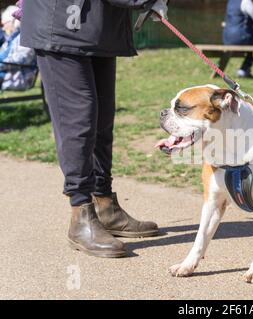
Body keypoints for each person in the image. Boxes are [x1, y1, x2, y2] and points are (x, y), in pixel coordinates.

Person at [20, 0, 169, 258]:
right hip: (61, 20)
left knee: (102, 116)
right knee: (79, 118)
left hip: (99, 26)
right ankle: (81, 213)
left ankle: (105, 206)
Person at [223, 0, 253, 77]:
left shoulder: (230, 2)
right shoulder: (246, 1)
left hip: (227, 38)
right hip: (241, 36)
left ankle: (243, 70)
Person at [0, 5, 35, 91]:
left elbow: (21, 58)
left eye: (4, 24)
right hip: (6, 74)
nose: (3, 28)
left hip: (18, 77)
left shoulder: (25, 37)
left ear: (14, 21)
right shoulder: (11, 38)